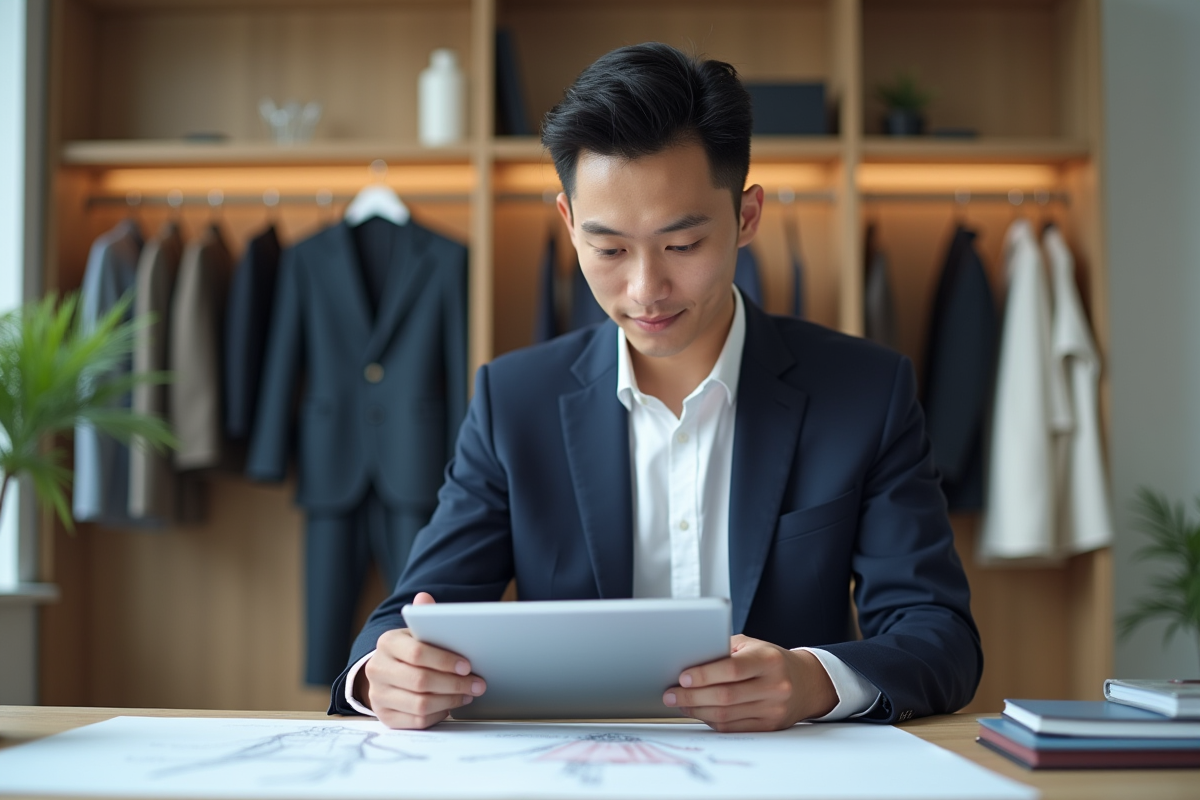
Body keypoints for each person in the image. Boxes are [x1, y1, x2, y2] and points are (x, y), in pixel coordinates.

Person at [329, 42, 982, 732]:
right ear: (569, 224)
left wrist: (814, 681)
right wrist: (383, 676)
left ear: (747, 217)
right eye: (609, 250)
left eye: (682, 246)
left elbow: (937, 634)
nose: (645, 291)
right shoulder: (513, 400)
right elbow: (402, 622)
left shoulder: (865, 392)